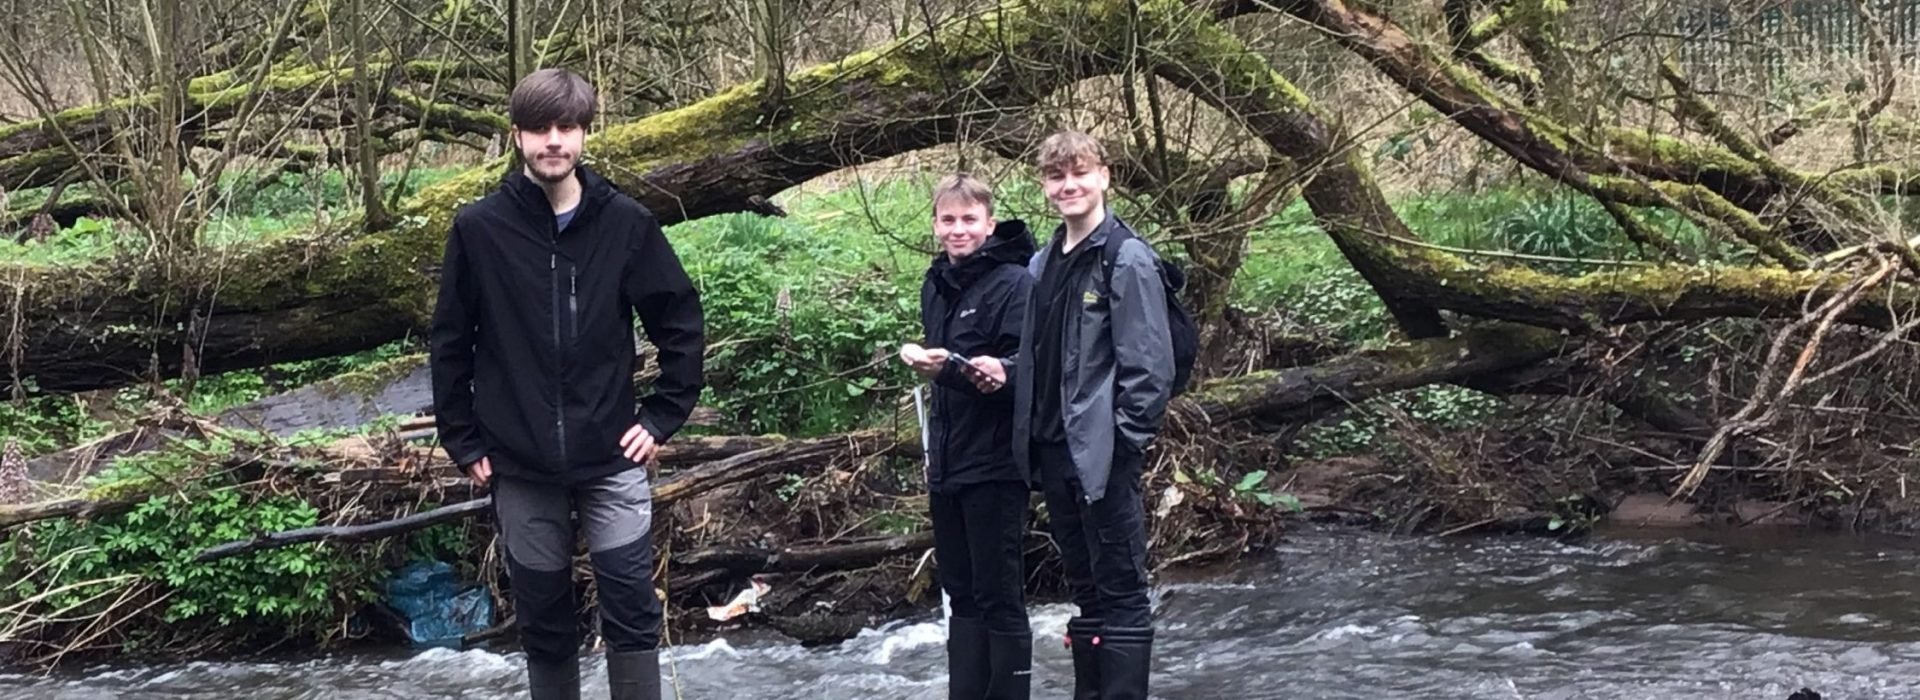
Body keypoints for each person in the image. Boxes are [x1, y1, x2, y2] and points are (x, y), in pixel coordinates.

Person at [429, 68, 705, 700]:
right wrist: (463, 441)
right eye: (539, 129)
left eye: (567, 128)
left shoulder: (626, 223)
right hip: (519, 463)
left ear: (584, 134)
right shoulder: (479, 228)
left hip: (611, 456)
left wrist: (662, 417)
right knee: (546, 625)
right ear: (518, 137)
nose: (553, 141)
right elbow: (450, 342)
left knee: (633, 613)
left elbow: (680, 322)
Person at [965, 131, 1175, 700]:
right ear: (1045, 187)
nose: (1069, 186)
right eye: (1057, 177)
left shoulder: (1125, 257)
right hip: (1053, 451)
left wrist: (1125, 443)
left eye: (1079, 173)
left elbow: (1149, 366)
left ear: (1104, 176)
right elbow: (1043, 355)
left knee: (1122, 588)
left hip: (1103, 453)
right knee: (1085, 587)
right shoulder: (1041, 261)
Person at [899, 174, 1036, 700]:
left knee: (1000, 593)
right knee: (960, 592)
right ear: (935, 225)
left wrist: (958, 370)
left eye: (969, 220)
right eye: (949, 220)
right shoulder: (935, 283)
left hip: (998, 463)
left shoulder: (1015, 283)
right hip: (948, 463)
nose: (959, 231)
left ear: (989, 223)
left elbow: (1026, 373)